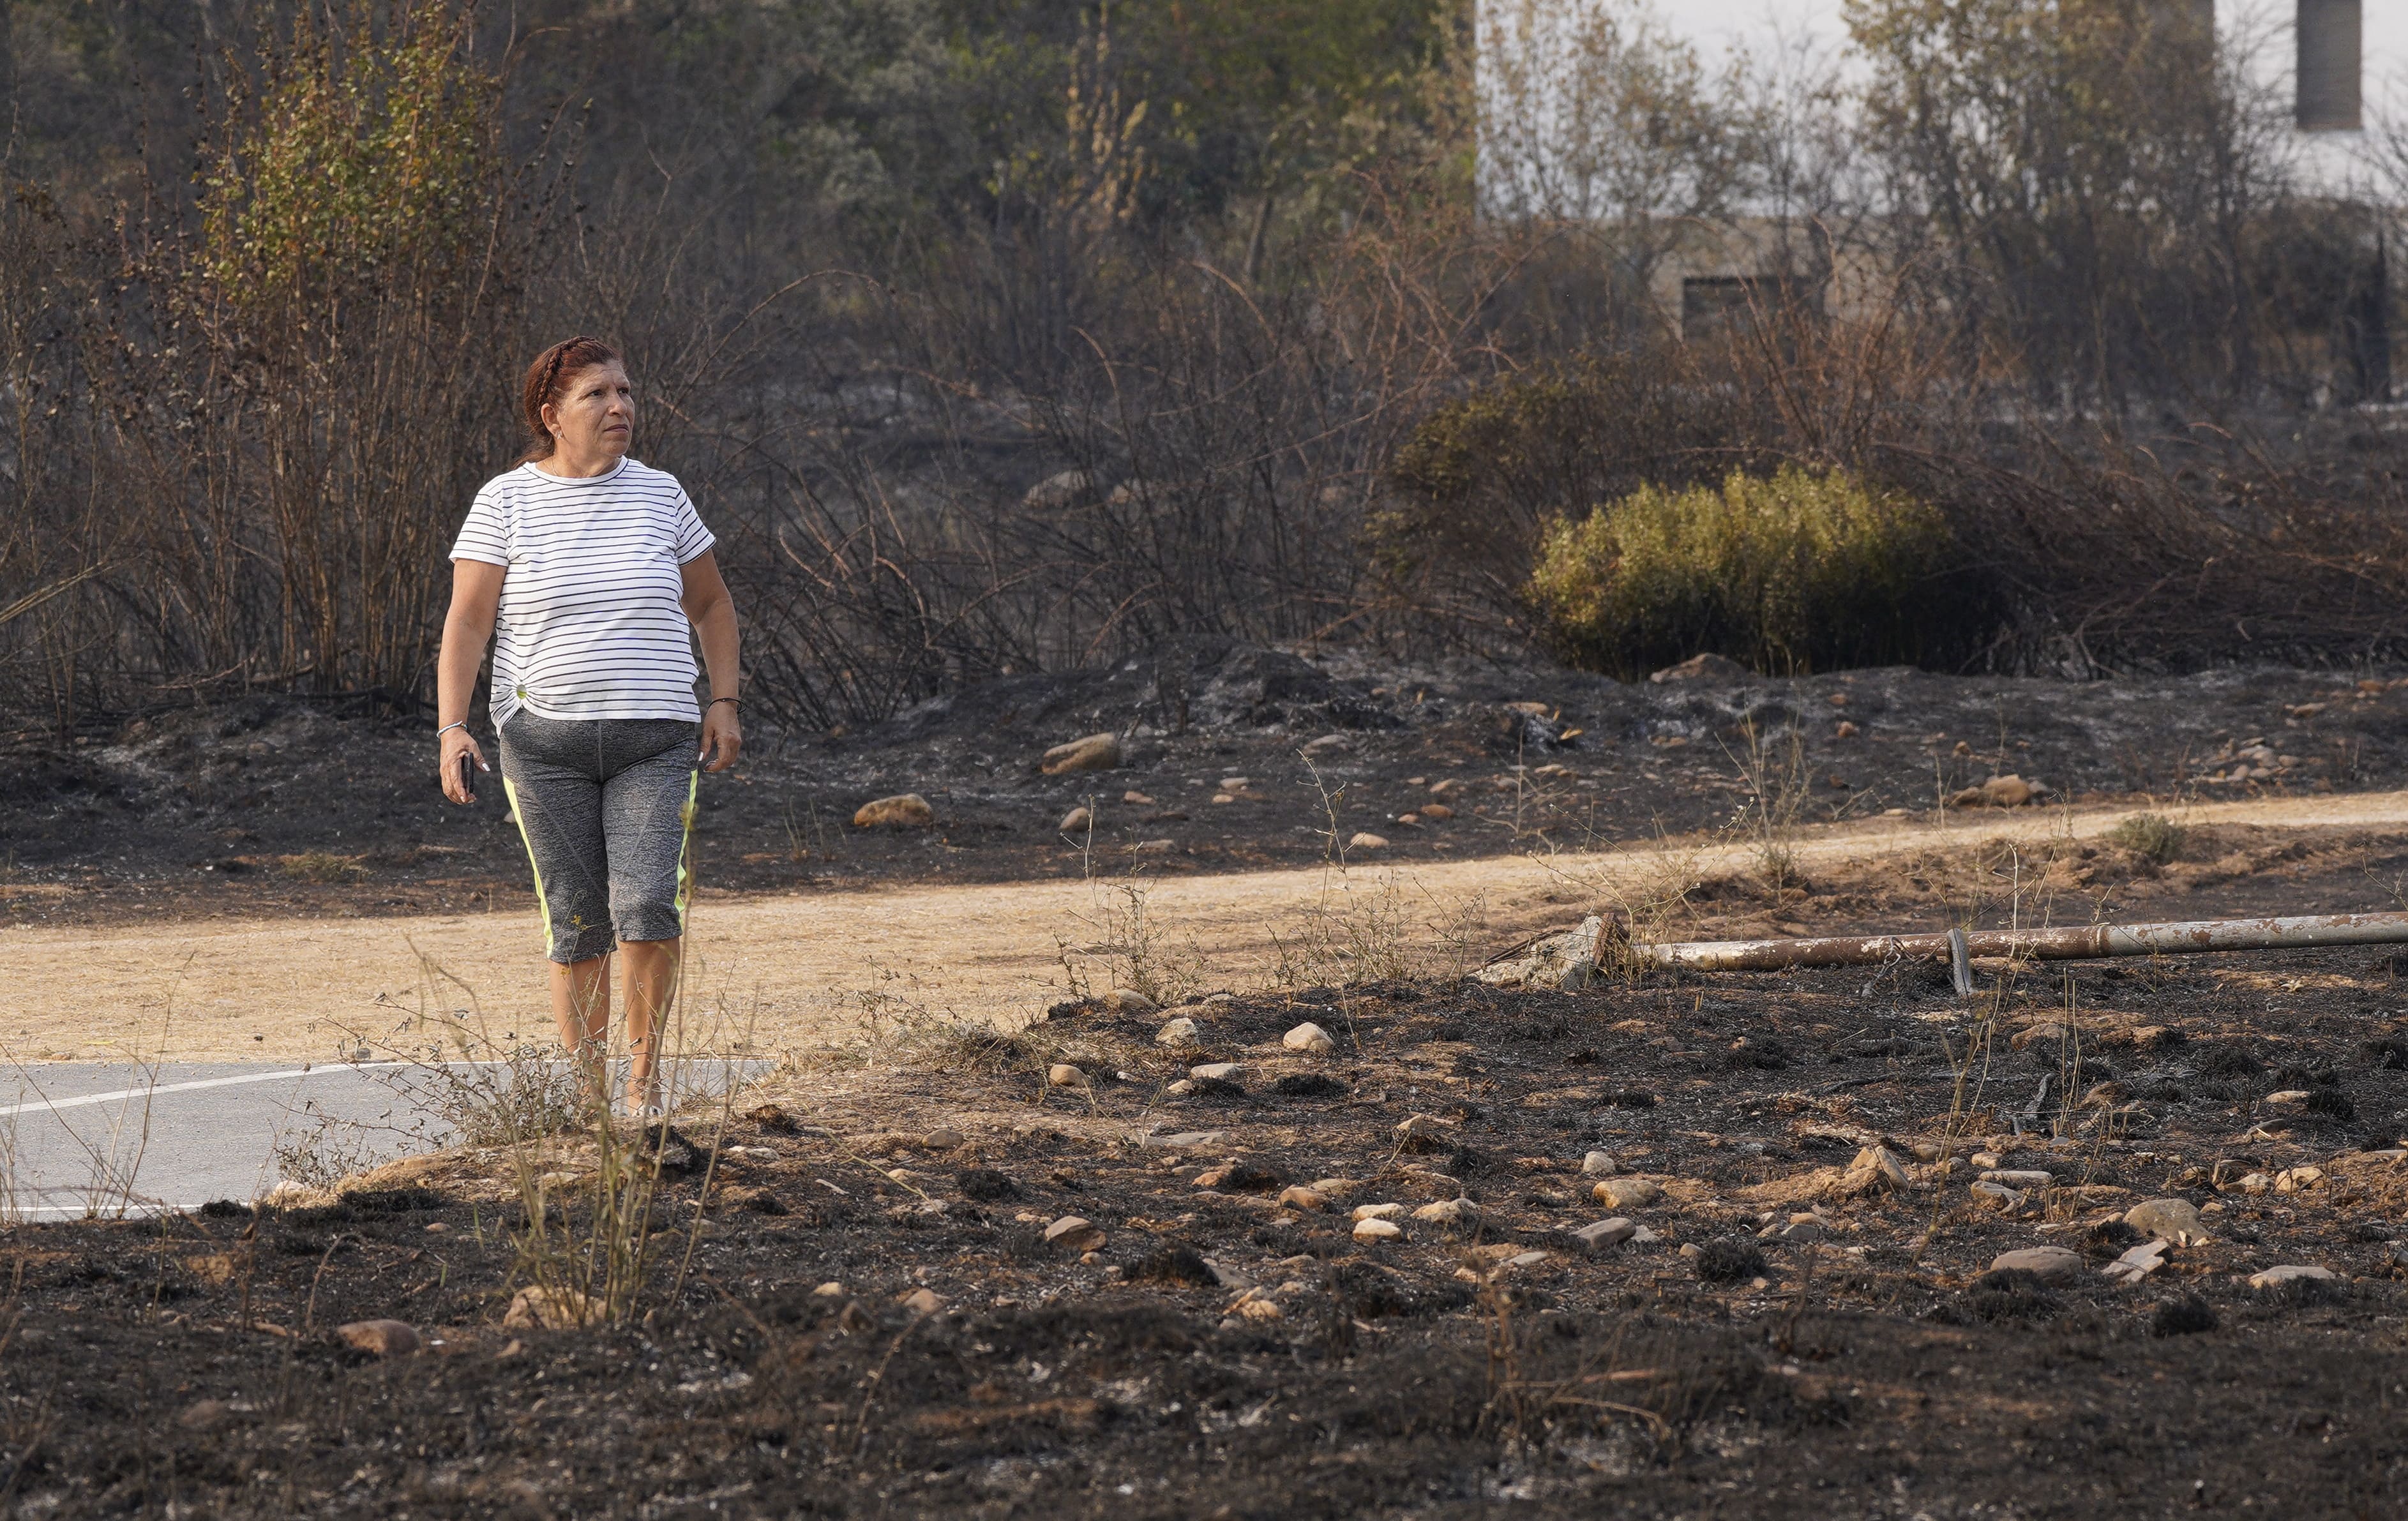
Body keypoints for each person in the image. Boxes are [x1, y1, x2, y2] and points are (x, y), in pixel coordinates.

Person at [433, 334, 742, 1116]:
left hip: (657, 740)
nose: (620, 407)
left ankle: (643, 1089)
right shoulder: (504, 501)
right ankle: (587, 1101)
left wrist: (724, 700)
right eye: (598, 395)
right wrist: (452, 725)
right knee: (575, 916)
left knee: (646, 904)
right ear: (552, 415)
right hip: (543, 746)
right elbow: (468, 623)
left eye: (627, 393)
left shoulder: (662, 493)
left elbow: (710, 604)